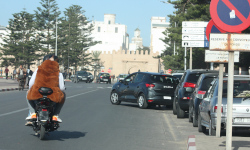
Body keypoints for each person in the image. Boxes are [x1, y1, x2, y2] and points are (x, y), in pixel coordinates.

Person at [25, 54, 65, 125]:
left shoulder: (38, 69)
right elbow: (62, 88)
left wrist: (30, 89)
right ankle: (55, 115)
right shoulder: (58, 73)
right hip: (52, 95)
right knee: (63, 96)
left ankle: (32, 113)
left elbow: (31, 83)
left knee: (28, 94)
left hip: (38, 93)